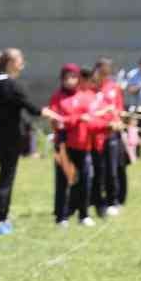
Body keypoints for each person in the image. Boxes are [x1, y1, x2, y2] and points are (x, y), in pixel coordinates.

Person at [0, 48, 40, 235]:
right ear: (10, 63)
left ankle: (1, 218)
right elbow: (32, 108)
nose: (22, 63)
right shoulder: (12, 86)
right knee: (6, 179)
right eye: (19, 60)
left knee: (4, 177)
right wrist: (48, 113)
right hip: (12, 138)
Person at [47, 64, 96, 227]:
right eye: (67, 77)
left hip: (83, 144)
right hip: (63, 145)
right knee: (63, 181)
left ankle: (84, 214)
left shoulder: (85, 96)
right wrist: (77, 119)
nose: (70, 81)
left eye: (73, 77)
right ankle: (61, 217)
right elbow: (56, 121)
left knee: (85, 181)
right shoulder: (57, 98)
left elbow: (91, 118)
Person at [89, 59, 126, 215]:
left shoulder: (114, 87)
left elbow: (119, 109)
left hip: (111, 135)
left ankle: (113, 201)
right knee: (97, 170)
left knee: (112, 170)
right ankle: (95, 200)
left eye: (105, 70)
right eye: (100, 70)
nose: (102, 73)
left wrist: (119, 120)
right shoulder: (90, 88)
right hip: (94, 135)